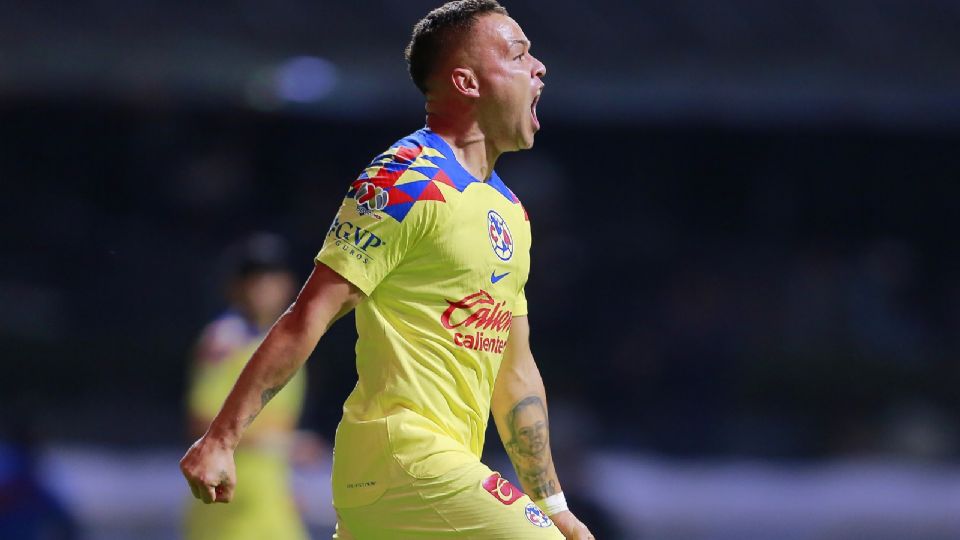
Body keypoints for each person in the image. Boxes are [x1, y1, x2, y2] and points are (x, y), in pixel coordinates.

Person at [180, 1, 594, 538]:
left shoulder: (511, 213)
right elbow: (309, 315)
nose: (539, 67)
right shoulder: (405, 178)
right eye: (518, 54)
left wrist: (554, 504)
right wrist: (221, 439)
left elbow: (514, 372)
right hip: (402, 456)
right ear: (465, 81)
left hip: (433, 478)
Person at [183, 233, 311, 540]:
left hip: (271, 506)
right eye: (254, 278)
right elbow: (201, 421)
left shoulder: (289, 345)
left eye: (272, 277)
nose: (263, 287)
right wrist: (284, 444)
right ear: (236, 287)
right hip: (228, 512)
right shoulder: (225, 341)